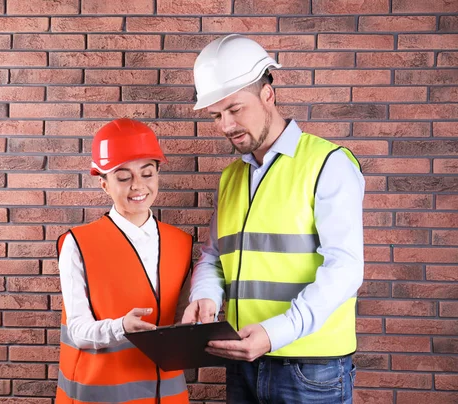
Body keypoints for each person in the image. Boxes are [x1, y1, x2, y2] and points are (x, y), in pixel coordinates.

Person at [182, 34, 364, 403]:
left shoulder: (328, 164)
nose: (225, 126)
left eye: (235, 109)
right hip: (242, 359)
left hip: (311, 367)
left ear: (268, 94)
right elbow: (215, 256)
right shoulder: (231, 177)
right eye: (217, 115)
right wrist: (204, 295)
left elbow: (345, 268)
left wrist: (275, 332)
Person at [55, 118, 192, 404]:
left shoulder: (181, 243)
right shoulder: (78, 244)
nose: (138, 186)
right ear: (104, 183)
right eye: (123, 176)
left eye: (147, 173)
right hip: (100, 396)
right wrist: (121, 328)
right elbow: (78, 330)